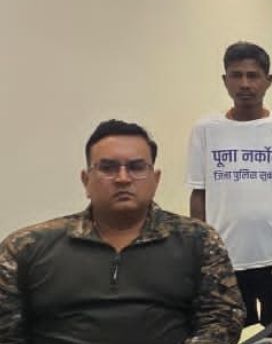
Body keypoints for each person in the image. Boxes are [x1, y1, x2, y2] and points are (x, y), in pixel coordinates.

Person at [0, 119, 244, 344]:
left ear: (155, 179)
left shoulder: (197, 240)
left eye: (136, 167)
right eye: (108, 168)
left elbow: (222, 319)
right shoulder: (27, 247)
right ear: (86, 180)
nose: (123, 178)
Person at [187, 41, 272, 327]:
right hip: (225, 258)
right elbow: (199, 194)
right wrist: (200, 249)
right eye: (236, 75)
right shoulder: (205, 130)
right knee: (231, 331)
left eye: (253, 75)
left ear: (268, 80)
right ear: (225, 80)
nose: (245, 84)